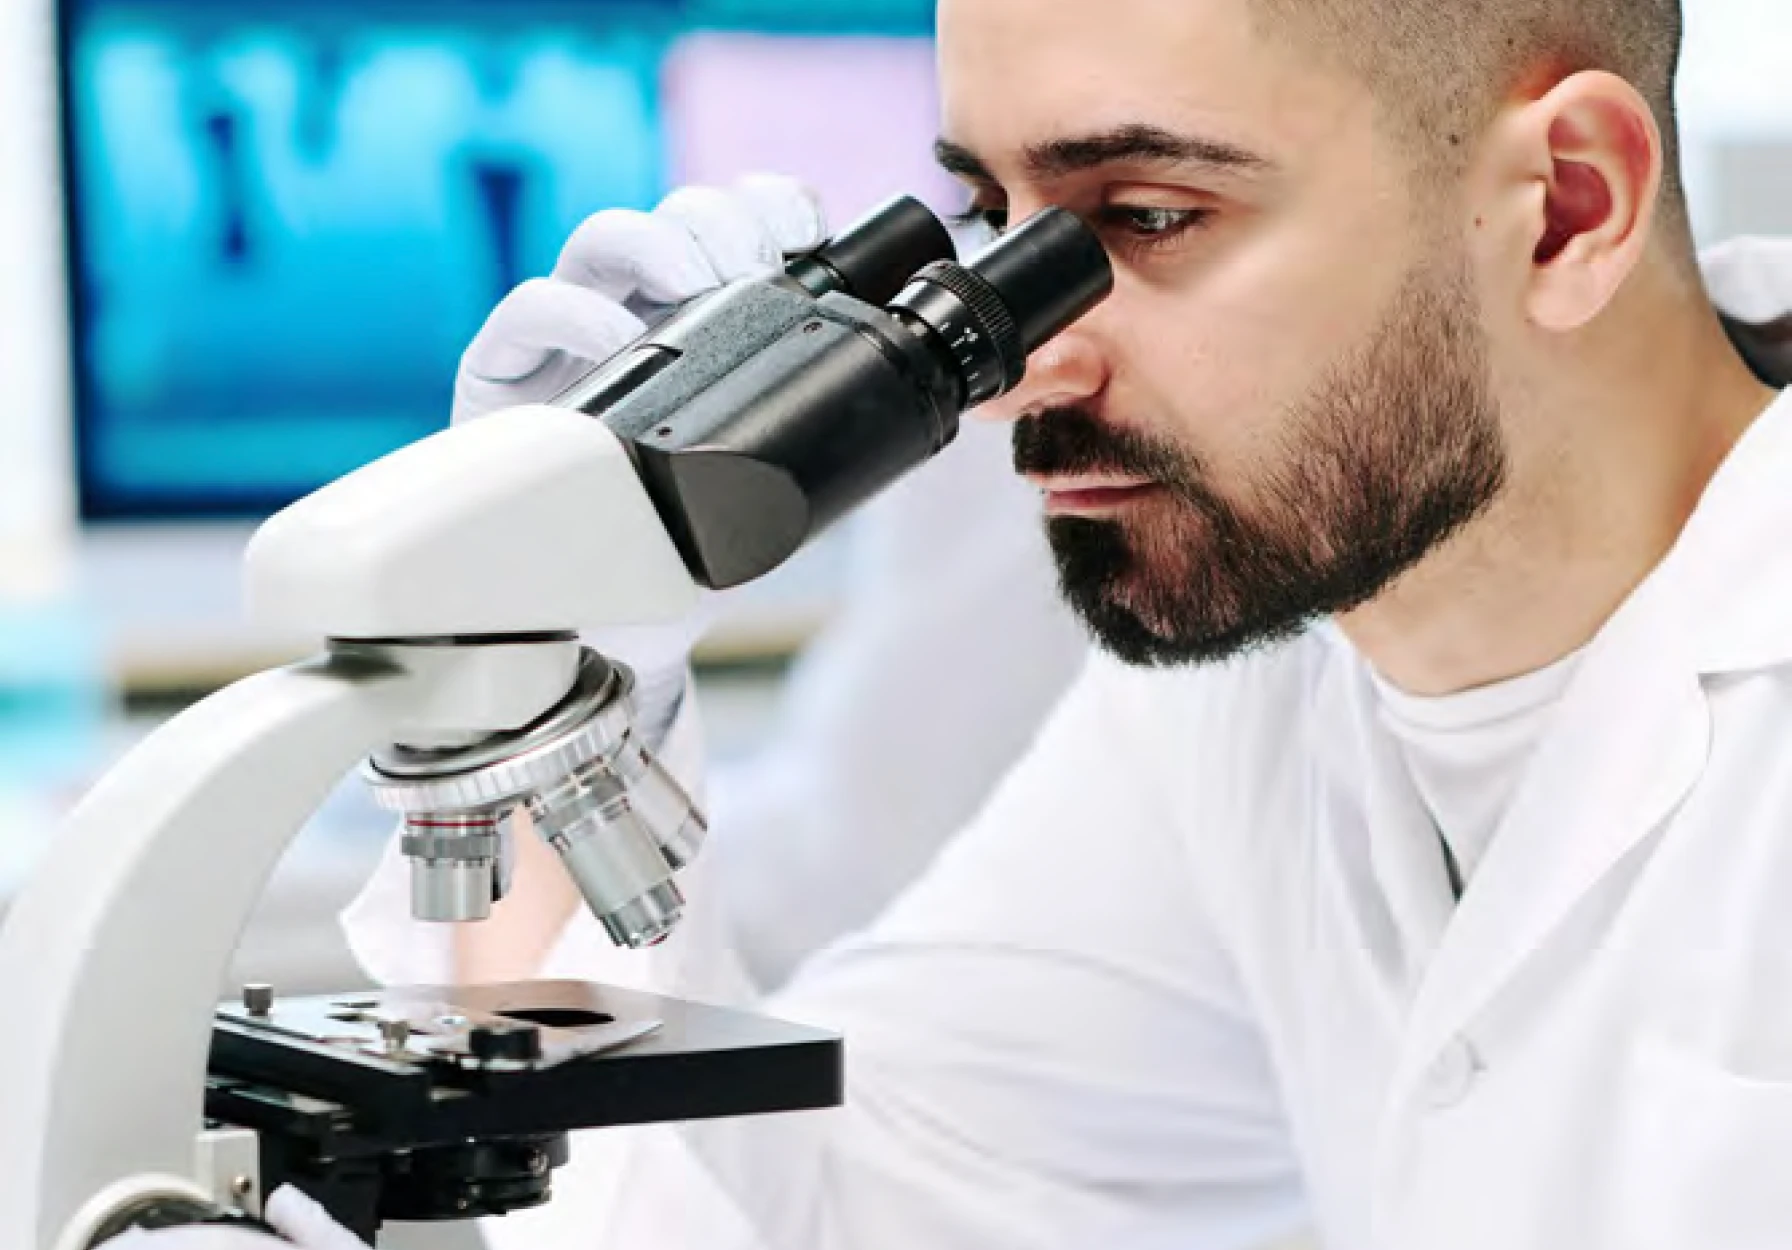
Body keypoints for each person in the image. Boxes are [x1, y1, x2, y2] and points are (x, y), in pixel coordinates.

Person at [142, 0, 1792, 1242]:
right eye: (1000, 228)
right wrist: (548, 682)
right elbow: (822, 1205)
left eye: (1149, 218)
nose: (1022, 370)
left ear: (1566, 206)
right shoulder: (1270, 678)